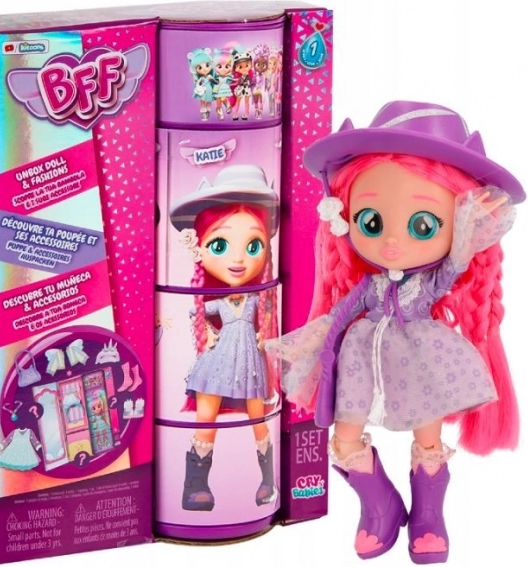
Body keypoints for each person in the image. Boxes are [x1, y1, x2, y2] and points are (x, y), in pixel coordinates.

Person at [269, 101, 524, 563]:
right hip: (362, 364)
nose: (391, 242)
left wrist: (470, 228)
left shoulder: (432, 283)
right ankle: (379, 506)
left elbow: (454, 267)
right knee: (344, 438)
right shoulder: (367, 286)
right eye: (371, 221)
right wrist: (304, 345)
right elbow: (336, 317)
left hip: (423, 361)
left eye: (422, 226)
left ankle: (428, 515)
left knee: (428, 440)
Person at [170, 164, 280, 511]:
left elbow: (265, 317)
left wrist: (264, 338)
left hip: (249, 361)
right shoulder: (216, 301)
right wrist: (207, 333)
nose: (238, 259)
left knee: (258, 418)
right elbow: (196, 313)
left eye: (253, 245)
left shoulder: (257, 298)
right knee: (207, 416)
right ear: (200, 247)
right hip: (218, 361)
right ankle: (196, 485)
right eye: (219, 245)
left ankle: (268, 480)